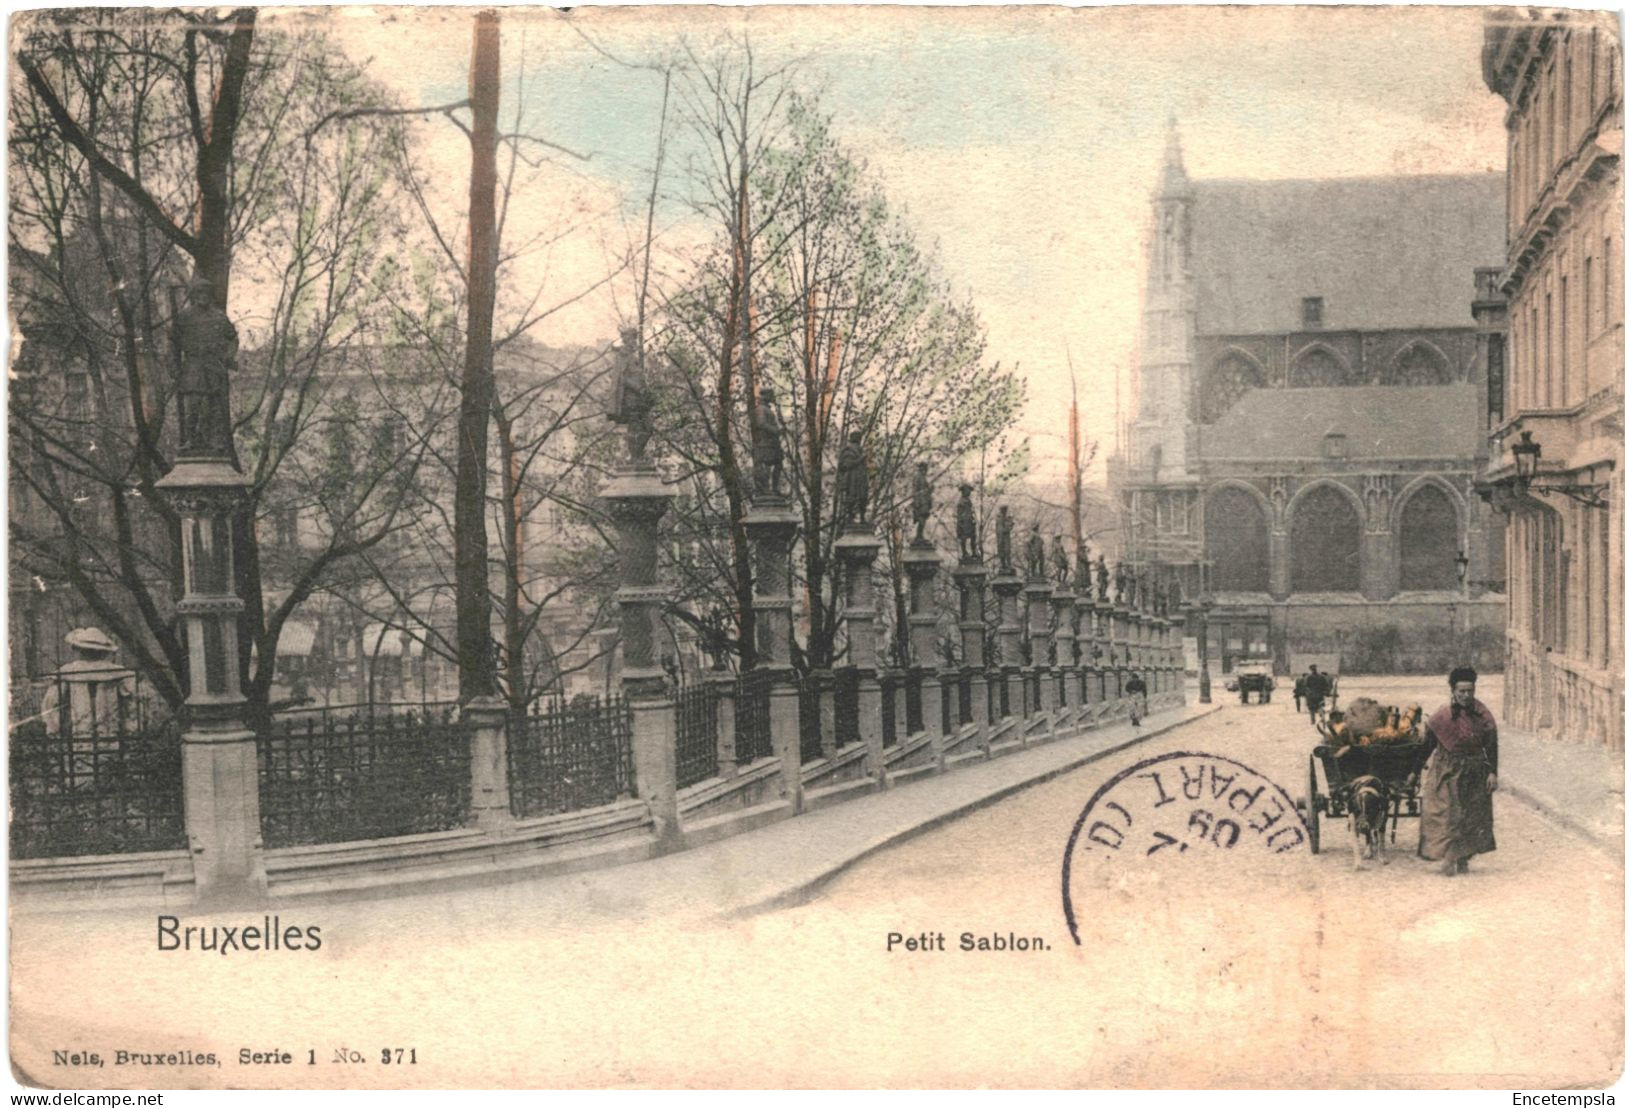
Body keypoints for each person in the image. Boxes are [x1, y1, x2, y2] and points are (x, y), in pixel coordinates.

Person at [1414, 666, 1497, 876]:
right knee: (1447, 814)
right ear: (1453, 691)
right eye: (1461, 691)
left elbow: (1491, 747)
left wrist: (1492, 773)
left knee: (1470, 816)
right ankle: (1449, 857)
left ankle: (1463, 858)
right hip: (1446, 771)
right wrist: (1414, 770)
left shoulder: (1484, 716)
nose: (1466, 696)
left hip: (1474, 772)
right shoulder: (1441, 717)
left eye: (1470, 691)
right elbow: (1427, 746)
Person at [39, 628, 139, 740]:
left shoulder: (68, 671)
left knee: (85, 752)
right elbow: (136, 700)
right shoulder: (118, 672)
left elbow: (50, 703)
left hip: (86, 732)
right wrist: (132, 726)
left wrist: (54, 728)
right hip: (104, 731)